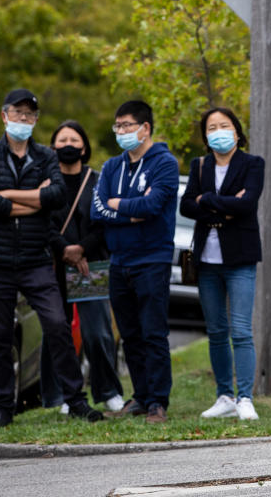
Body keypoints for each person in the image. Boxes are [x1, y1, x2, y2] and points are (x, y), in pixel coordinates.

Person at [0, 89, 103, 427]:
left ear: (36, 120)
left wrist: (11, 195)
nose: (24, 120)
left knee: (58, 326)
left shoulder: (45, 156)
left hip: (35, 259)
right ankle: (3, 408)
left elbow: (57, 196)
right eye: (18, 113)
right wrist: (35, 198)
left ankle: (75, 400)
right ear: (4, 116)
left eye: (30, 115)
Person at [91, 100, 179, 424]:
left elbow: (154, 206)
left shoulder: (164, 163)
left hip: (152, 259)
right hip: (119, 261)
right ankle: (140, 396)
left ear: (145, 127)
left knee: (153, 332)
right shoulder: (112, 167)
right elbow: (97, 210)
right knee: (129, 334)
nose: (122, 132)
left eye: (128, 125)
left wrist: (120, 207)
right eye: (118, 126)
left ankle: (158, 401)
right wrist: (131, 212)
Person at [180, 107, 264, 420]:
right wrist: (218, 206)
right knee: (216, 331)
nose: (218, 131)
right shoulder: (199, 165)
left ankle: (245, 397)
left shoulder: (253, 164)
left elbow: (246, 204)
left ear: (237, 131)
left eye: (224, 125)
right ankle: (224, 395)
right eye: (211, 127)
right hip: (206, 259)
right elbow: (187, 205)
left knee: (241, 330)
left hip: (240, 257)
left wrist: (207, 200)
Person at [43, 120, 125, 414]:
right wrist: (64, 249)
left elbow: (106, 222)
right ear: (52, 147)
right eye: (62, 139)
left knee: (97, 331)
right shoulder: (45, 181)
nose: (68, 145)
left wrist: (82, 249)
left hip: (91, 263)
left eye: (74, 140)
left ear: (85, 147)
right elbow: (41, 223)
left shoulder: (99, 180)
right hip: (54, 263)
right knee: (58, 330)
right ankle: (67, 395)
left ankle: (108, 390)